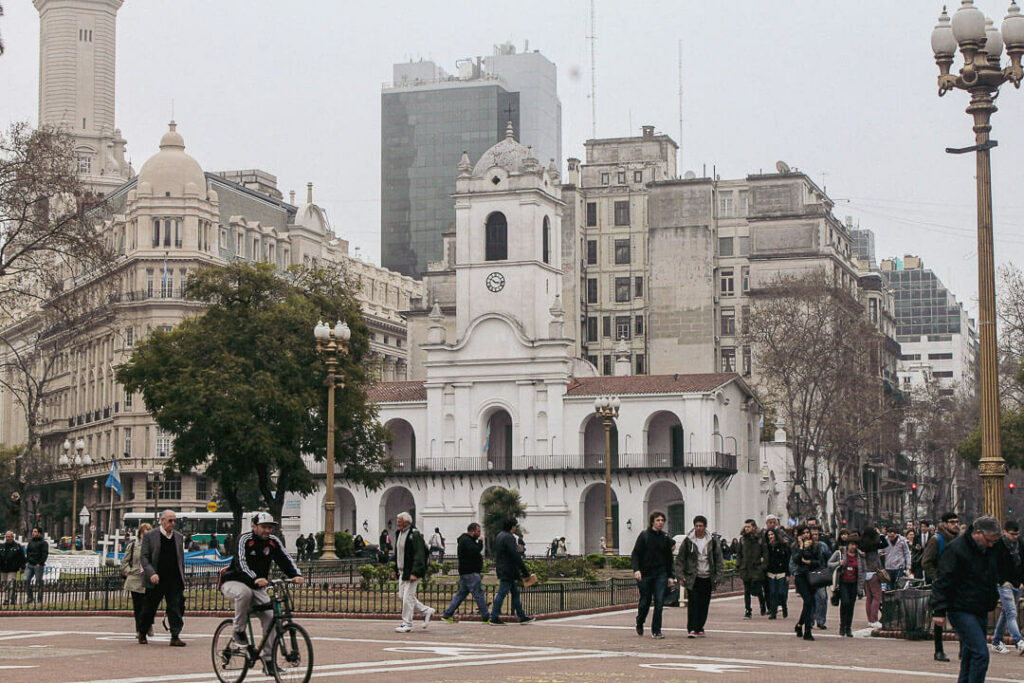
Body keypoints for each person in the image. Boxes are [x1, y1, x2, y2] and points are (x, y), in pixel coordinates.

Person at [220, 512, 304, 674]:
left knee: (271, 617)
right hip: (234, 582)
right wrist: (255, 578)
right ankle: (238, 631)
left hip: (257, 586)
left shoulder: (273, 542)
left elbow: (285, 559)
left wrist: (296, 575)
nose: (267, 531)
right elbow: (241, 563)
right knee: (244, 593)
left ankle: (268, 661)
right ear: (254, 527)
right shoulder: (244, 539)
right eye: (264, 527)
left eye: (270, 527)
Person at [931, 516, 1001, 682]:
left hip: (980, 607)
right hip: (960, 608)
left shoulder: (989, 550)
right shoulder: (956, 549)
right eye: (989, 540)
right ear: (978, 533)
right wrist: (939, 610)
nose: (991, 545)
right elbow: (943, 580)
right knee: (980, 654)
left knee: (970, 654)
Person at [139, 510, 187, 646]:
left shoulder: (178, 537)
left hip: (173, 579)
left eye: (174, 521)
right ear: (162, 520)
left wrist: (182, 578)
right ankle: (142, 631)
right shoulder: (150, 536)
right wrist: (151, 573)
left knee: (175, 607)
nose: (173, 523)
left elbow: (180, 559)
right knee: (150, 607)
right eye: (170, 520)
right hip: (156, 578)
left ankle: (175, 635)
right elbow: (144, 557)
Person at [675, 515, 724, 638]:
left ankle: (700, 627)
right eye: (696, 526)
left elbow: (718, 559)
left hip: (707, 576)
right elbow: (680, 559)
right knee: (693, 603)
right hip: (693, 577)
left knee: (704, 603)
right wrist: (680, 576)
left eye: (700, 526)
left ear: (705, 526)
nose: (698, 528)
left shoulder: (711, 541)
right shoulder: (688, 541)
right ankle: (692, 628)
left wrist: (719, 576)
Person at [630, 511, 676, 639]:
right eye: (658, 520)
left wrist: (670, 576)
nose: (660, 523)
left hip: (660, 574)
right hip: (645, 574)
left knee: (659, 602)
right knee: (645, 601)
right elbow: (635, 554)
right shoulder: (644, 536)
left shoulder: (665, 537)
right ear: (652, 522)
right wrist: (636, 570)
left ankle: (656, 630)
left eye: (662, 520)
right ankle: (640, 620)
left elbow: (668, 559)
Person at [922, 511, 960, 662]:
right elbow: (926, 562)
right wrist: (938, 577)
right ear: (944, 524)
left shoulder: (960, 539)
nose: (955, 525)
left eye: (957, 522)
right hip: (942, 585)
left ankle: (963, 649)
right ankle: (938, 650)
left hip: (957, 584)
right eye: (952, 522)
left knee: (960, 616)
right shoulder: (937, 540)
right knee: (939, 618)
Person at [488, 517, 535, 625]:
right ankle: (494, 616)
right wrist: (525, 572)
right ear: (512, 527)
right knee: (502, 593)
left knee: (515, 593)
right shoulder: (509, 538)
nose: (515, 528)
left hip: (503, 567)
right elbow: (515, 555)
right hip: (508, 569)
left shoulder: (499, 536)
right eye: (514, 526)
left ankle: (522, 616)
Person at [440, 522, 489, 623]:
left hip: (465, 572)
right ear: (472, 531)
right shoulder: (467, 540)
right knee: (479, 594)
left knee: (461, 594)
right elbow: (475, 551)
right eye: (478, 531)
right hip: (471, 572)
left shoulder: (467, 540)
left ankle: (447, 614)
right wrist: (480, 542)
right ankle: (486, 617)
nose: (480, 534)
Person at [393, 511, 433, 632]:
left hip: (411, 572)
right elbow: (398, 554)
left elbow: (419, 555)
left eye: (399, 521)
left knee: (407, 598)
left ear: (406, 522)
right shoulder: (399, 534)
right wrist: (395, 569)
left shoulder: (414, 535)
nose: (397, 523)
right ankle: (426, 611)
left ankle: (407, 623)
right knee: (403, 596)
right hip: (402, 571)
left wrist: (415, 572)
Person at [991, 518, 1024, 655]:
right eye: (1012, 534)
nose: (1014, 537)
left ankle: (997, 640)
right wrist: (1001, 580)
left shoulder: (1020, 544)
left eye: (1016, 534)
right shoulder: (998, 545)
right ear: (1004, 532)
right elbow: (994, 565)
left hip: (1017, 583)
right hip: (1004, 583)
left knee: (1006, 612)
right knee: (1011, 612)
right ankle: (1019, 641)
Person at [828, 532, 865, 637]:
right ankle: (842, 626)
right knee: (845, 603)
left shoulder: (860, 555)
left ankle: (848, 627)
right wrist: (839, 564)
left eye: (855, 545)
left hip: (854, 583)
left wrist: (861, 587)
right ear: (848, 544)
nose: (854, 547)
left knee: (851, 605)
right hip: (843, 582)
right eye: (852, 544)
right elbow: (829, 564)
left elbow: (863, 571)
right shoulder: (839, 553)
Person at [791, 525, 824, 641]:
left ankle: (799, 625)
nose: (806, 535)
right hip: (800, 576)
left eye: (807, 532)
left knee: (809, 603)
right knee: (808, 601)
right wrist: (801, 547)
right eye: (803, 533)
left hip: (812, 576)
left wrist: (809, 561)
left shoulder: (815, 546)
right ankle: (807, 631)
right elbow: (796, 560)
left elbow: (819, 561)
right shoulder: (795, 546)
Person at [121, 523, 152, 641]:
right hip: (135, 579)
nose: (145, 535)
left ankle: (147, 625)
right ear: (140, 533)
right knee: (138, 606)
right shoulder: (133, 545)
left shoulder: (153, 545)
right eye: (143, 533)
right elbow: (125, 561)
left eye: (148, 533)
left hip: (148, 579)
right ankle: (139, 630)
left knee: (148, 606)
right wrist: (130, 571)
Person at [736, 519, 767, 618]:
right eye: (745, 527)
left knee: (757, 589)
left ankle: (763, 605)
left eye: (748, 527)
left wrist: (763, 566)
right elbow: (739, 554)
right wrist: (739, 565)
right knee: (747, 591)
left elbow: (765, 553)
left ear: (754, 527)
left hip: (757, 568)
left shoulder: (760, 539)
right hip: (746, 568)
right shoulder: (742, 539)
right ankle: (748, 610)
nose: (746, 529)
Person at [859, 527, 885, 629]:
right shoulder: (874, 545)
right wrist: (880, 534)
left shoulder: (863, 545)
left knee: (869, 597)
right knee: (877, 597)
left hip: (866, 574)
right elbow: (885, 543)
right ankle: (874, 619)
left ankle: (870, 619)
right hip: (874, 573)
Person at [764, 528, 790, 619]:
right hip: (771, 572)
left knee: (781, 592)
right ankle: (773, 612)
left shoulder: (782, 545)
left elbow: (786, 560)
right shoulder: (767, 546)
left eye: (772, 534)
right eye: (769, 535)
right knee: (772, 592)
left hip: (781, 572)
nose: (770, 537)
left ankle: (784, 606)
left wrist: (787, 573)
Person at [810, 527, 830, 629]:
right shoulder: (806, 546)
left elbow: (828, 559)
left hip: (820, 574)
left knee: (822, 597)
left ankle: (821, 620)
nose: (815, 537)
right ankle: (810, 620)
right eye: (813, 534)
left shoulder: (823, 546)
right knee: (810, 598)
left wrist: (827, 572)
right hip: (809, 574)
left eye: (817, 534)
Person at [0, 530, 26, 605]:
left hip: (13, 569)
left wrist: (22, 567)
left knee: (10, 584)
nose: (7, 538)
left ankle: (8, 599)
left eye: (9, 537)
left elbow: (22, 558)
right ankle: (9, 597)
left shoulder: (17, 547)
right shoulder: (2, 546)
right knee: (4, 584)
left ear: (12, 537)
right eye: (6, 537)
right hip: (3, 569)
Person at [24, 527, 48, 604]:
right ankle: (30, 598)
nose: (33, 533)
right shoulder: (31, 542)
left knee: (39, 583)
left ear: (39, 533)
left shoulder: (43, 543)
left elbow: (44, 554)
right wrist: (28, 561)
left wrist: (40, 563)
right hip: (30, 564)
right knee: (26, 581)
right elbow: (28, 552)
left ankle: (39, 599)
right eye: (33, 531)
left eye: (35, 532)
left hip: (38, 565)